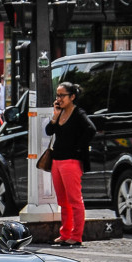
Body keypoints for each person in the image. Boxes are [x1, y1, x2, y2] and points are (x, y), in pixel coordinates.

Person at [44, 81, 96, 247]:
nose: (59, 98)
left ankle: (76, 235)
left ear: (72, 97)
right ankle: (65, 233)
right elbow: (49, 131)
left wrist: (78, 148)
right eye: (57, 95)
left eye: (62, 95)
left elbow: (91, 129)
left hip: (71, 161)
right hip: (56, 161)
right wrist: (55, 114)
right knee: (62, 201)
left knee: (74, 200)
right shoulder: (60, 113)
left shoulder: (78, 113)